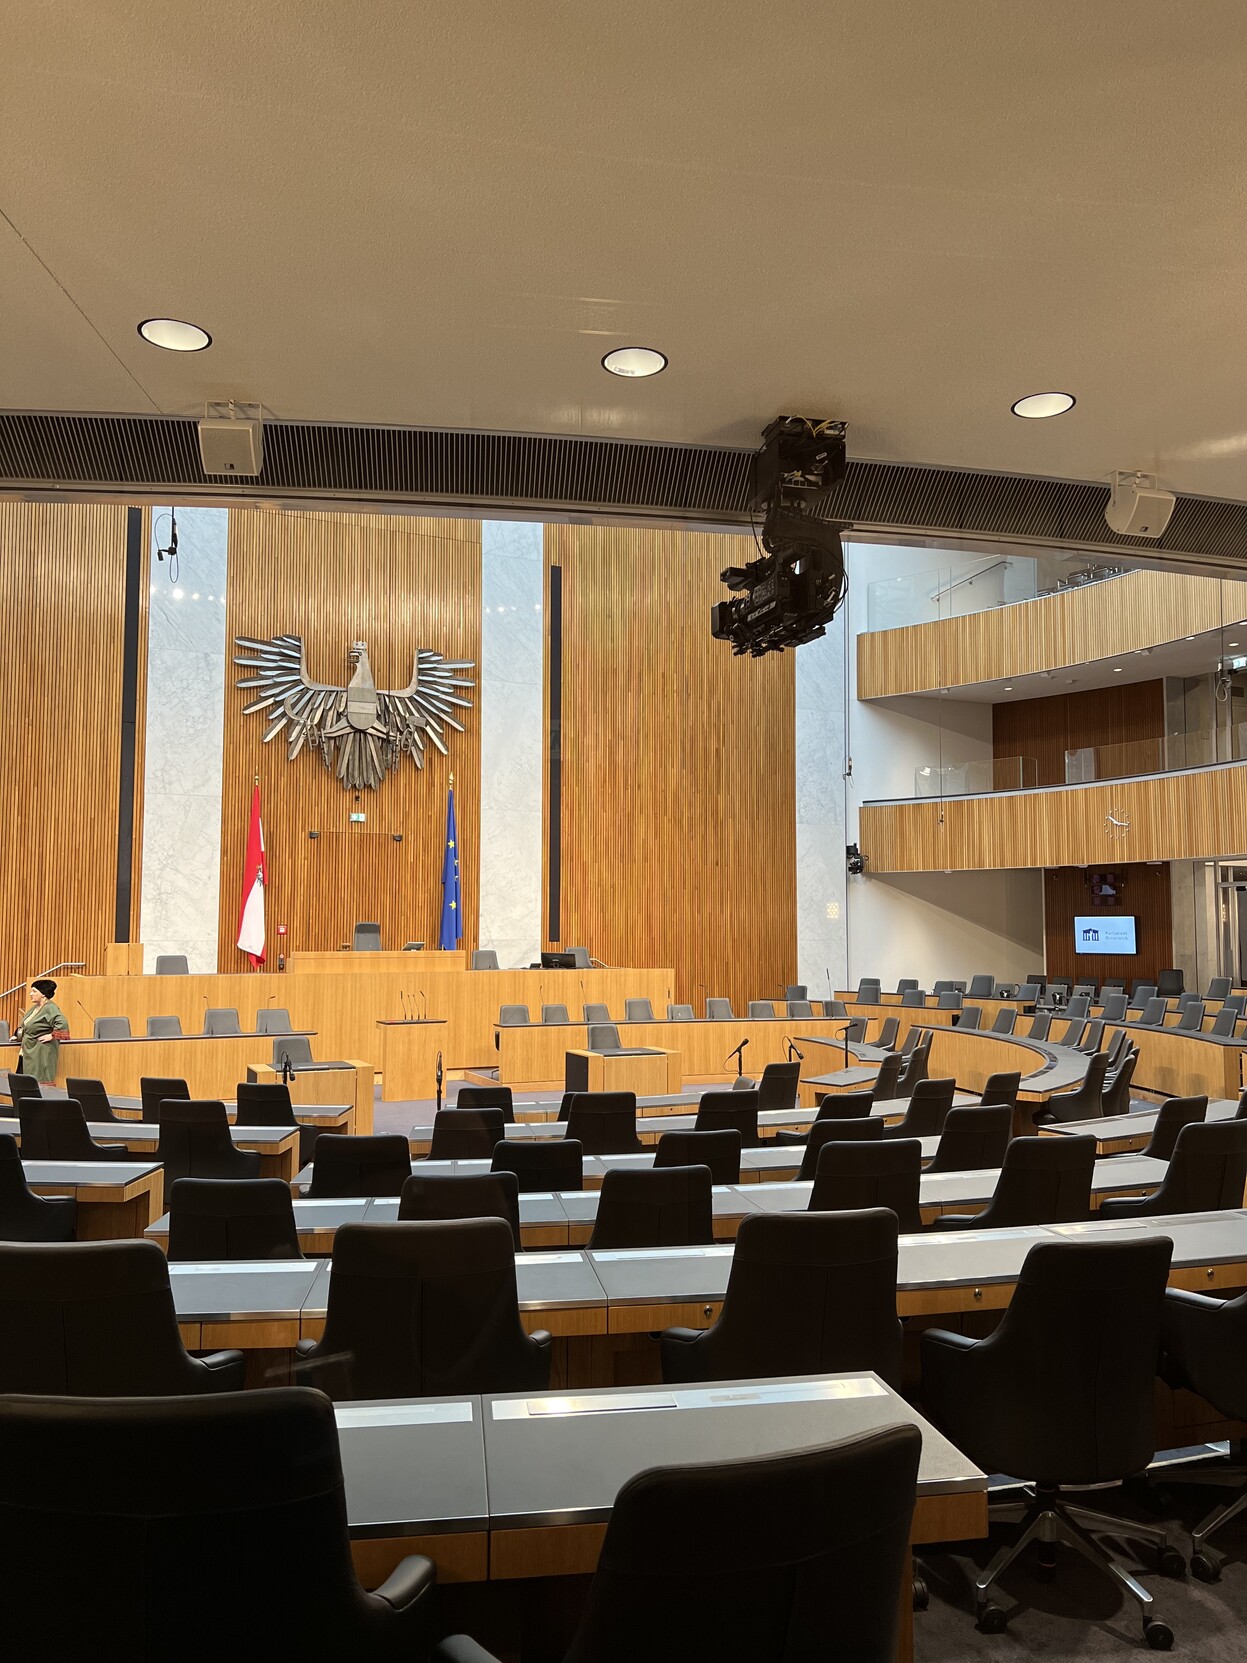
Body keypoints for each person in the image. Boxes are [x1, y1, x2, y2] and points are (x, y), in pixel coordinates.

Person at [15, 979, 70, 1084]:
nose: (31, 994)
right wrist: (17, 1035)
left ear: (43, 994)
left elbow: (62, 1023)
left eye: (34, 991)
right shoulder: (36, 1008)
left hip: (41, 1051)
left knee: (39, 1079)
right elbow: (28, 1024)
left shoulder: (50, 1008)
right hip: (30, 1050)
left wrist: (52, 1035)